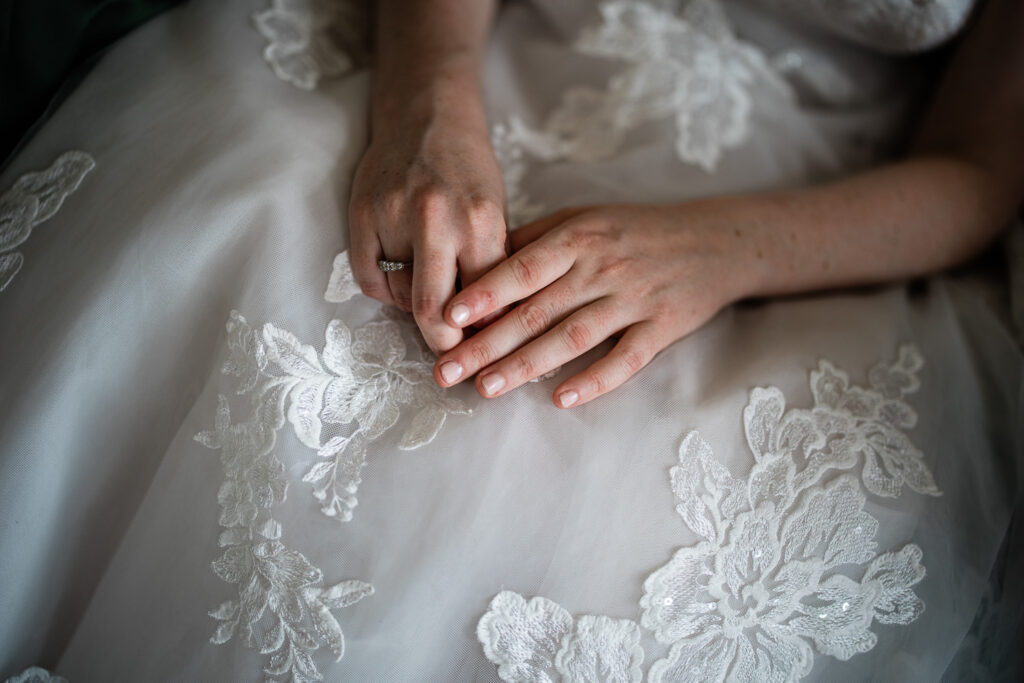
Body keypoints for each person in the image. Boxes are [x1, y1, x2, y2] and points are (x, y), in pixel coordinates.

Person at [350, 0, 1023, 409]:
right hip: (478, 41)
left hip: (817, 203)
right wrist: (428, 108)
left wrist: (715, 252)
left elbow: (982, 169)